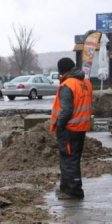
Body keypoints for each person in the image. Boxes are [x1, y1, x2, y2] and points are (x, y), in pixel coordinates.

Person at [49, 57, 93, 200]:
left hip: (69, 128)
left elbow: (66, 111)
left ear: (62, 71)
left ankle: (73, 192)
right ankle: (66, 188)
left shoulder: (68, 85)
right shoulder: (85, 82)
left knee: (68, 160)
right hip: (81, 127)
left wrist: (60, 125)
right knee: (72, 159)